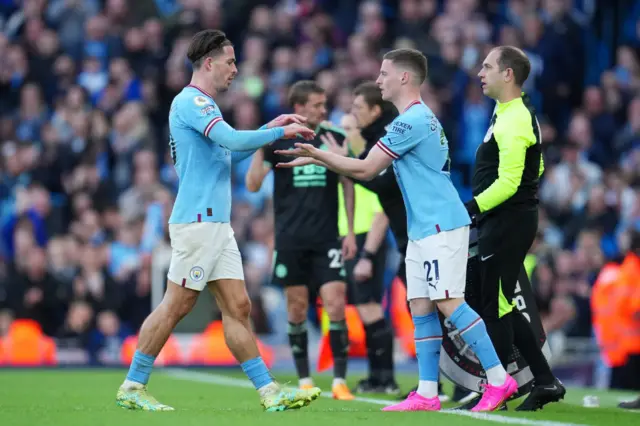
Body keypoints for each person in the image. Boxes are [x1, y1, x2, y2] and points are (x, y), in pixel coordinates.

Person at [275, 48, 517, 412]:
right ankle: (426, 393)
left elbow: (366, 169)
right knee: (420, 306)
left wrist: (316, 154)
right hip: (422, 229)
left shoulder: (411, 122)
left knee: (449, 302)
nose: (378, 80)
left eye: (384, 73)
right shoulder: (416, 120)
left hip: (440, 224)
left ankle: (499, 379)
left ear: (404, 77)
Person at [116, 29, 321, 412]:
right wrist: (278, 130)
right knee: (176, 304)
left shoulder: (203, 106)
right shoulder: (193, 102)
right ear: (209, 63)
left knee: (238, 306)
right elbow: (231, 140)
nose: (235, 69)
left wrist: (266, 130)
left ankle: (269, 392)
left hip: (215, 224)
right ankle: (133, 383)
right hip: (198, 222)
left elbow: (227, 156)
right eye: (230, 61)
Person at [463, 45, 565, 411]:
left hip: (507, 220)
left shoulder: (515, 118)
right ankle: (544, 381)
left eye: (488, 66)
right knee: (500, 304)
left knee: (494, 306)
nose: (480, 72)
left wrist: (470, 208)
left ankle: (497, 387)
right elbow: (534, 170)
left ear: (508, 75)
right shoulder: (509, 111)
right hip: (506, 219)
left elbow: (509, 182)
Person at [245, 81, 357, 401]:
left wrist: (348, 229)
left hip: (327, 239)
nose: (324, 109)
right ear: (299, 108)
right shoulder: (278, 140)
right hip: (291, 239)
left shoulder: (335, 138)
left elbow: (347, 183)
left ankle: (339, 381)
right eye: (318, 105)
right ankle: (305, 379)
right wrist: (258, 143)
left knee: (335, 304)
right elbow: (253, 185)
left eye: (324, 104)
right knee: (296, 308)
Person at [334, 111, 400, 395]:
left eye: (349, 128)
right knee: (363, 309)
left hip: (366, 241)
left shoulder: (371, 163)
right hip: (350, 240)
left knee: (370, 307)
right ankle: (377, 377)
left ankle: (385, 377)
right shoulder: (349, 163)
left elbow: (381, 212)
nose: (343, 133)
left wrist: (368, 254)